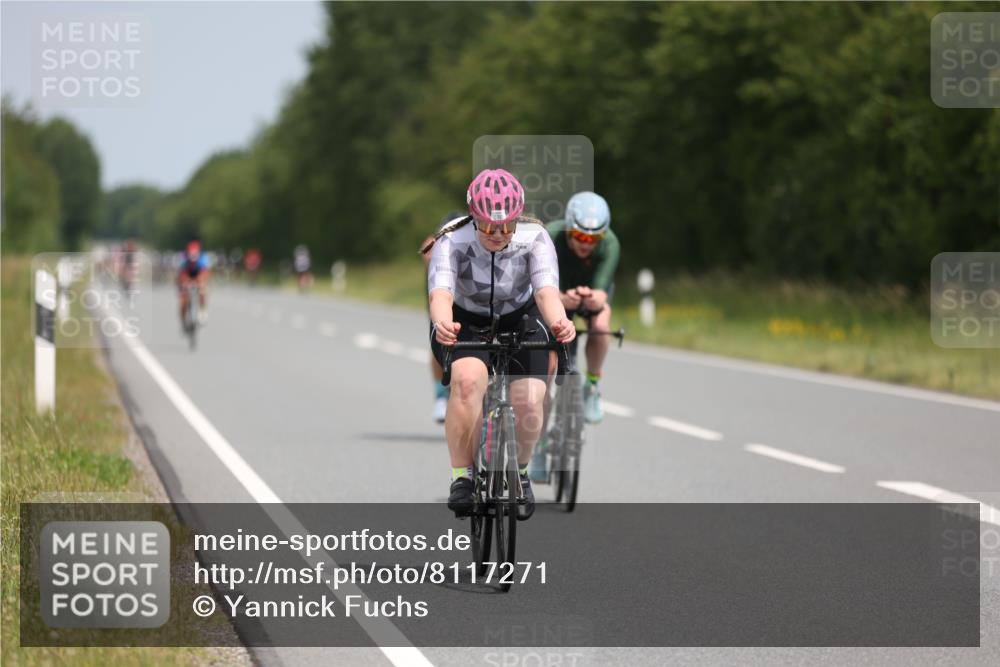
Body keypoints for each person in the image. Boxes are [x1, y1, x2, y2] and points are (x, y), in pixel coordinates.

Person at [424, 169, 575, 520]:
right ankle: (462, 476)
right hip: (466, 319)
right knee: (466, 382)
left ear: (517, 218)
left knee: (530, 400)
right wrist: (443, 322)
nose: (497, 234)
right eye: (488, 226)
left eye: (506, 226)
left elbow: (546, 292)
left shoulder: (535, 237)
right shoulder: (452, 239)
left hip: (521, 316)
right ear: (473, 217)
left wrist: (559, 321)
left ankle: (520, 470)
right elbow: (441, 294)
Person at [530, 192, 620, 480]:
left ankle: (592, 386)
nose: (586, 244)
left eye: (594, 238)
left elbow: (601, 295)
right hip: (553, 295)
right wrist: (562, 299)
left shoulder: (610, 244)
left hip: (588, 296)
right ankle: (539, 446)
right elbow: (539, 288)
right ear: (569, 229)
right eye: (580, 236)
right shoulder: (550, 236)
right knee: (547, 370)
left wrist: (589, 299)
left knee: (601, 324)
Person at [422, 211, 466, 423]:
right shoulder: (435, 244)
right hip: (442, 294)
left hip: (468, 298)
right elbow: (426, 254)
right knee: (440, 338)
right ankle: (440, 395)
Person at [177, 238, 210, 327]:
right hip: (186, 275)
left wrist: (201, 283)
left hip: (197, 275)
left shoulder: (202, 259)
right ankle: (183, 319)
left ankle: (202, 310)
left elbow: (204, 274)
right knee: (183, 298)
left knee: (202, 290)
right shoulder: (183, 260)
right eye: (191, 257)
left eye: (195, 257)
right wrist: (185, 284)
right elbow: (181, 275)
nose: (193, 261)